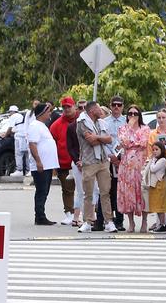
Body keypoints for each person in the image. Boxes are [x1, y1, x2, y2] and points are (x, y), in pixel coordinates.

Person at [75, 101, 116, 233]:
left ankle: (109, 221)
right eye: (99, 108)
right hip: (89, 161)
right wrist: (101, 138)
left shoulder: (102, 122)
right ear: (92, 110)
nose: (101, 111)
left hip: (104, 160)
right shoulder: (82, 122)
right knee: (88, 193)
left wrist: (98, 137)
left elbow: (110, 139)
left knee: (105, 192)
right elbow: (91, 141)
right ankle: (87, 221)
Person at [116, 106, 151, 233]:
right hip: (126, 165)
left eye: (135, 113)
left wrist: (132, 141)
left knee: (142, 192)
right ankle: (131, 223)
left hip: (141, 164)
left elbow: (143, 142)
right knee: (128, 193)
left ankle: (145, 221)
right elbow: (124, 142)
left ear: (139, 115)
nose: (132, 115)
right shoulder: (122, 128)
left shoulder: (145, 128)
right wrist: (130, 128)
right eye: (130, 113)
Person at [95, 97, 127, 231]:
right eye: (114, 105)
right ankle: (101, 219)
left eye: (119, 105)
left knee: (119, 191)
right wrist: (111, 156)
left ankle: (119, 220)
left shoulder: (126, 121)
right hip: (107, 159)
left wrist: (119, 157)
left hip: (123, 160)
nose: (116, 107)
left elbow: (127, 141)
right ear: (110, 106)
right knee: (105, 189)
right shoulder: (104, 122)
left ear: (122, 106)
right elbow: (102, 141)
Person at [26, 102, 58, 225]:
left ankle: (41, 214)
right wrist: (38, 161)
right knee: (41, 191)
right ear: (42, 113)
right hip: (41, 165)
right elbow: (32, 144)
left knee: (44, 191)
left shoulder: (42, 125)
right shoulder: (35, 125)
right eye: (48, 111)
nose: (50, 113)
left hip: (47, 165)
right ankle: (39, 216)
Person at [51, 97, 80, 225]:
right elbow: (52, 145)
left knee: (84, 190)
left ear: (74, 107)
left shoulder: (82, 121)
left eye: (69, 106)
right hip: (63, 164)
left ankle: (85, 213)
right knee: (67, 190)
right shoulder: (56, 125)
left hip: (80, 162)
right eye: (64, 107)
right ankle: (69, 213)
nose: (67, 109)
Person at [144, 141, 166, 230]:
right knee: (157, 206)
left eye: (157, 149)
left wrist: (152, 161)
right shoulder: (157, 160)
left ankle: (163, 224)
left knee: (160, 207)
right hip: (155, 185)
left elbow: (153, 169)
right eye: (153, 150)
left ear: (162, 150)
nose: (154, 151)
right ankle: (160, 224)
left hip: (159, 185)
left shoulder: (162, 160)